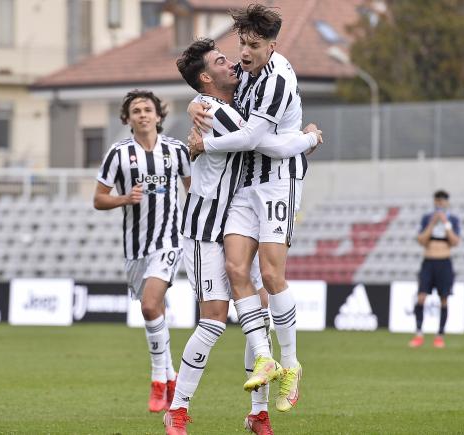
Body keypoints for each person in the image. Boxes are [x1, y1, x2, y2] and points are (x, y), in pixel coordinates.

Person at [165, 39, 321, 435]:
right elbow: (258, 140)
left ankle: (258, 413)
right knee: (214, 321)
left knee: (259, 310)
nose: (232, 62)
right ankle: (178, 409)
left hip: (236, 221)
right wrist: (308, 140)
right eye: (221, 60)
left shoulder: (229, 104)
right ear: (206, 78)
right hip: (204, 231)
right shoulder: (213, 109)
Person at [188, 4, 311, 413]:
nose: (244, 52)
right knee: (235, 268)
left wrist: (307, 141)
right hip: (246, 183)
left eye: (253, 46)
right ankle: (264, 356)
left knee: (273, 275)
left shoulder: (278, 79)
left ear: (272, 46)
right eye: (241, 42)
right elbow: (212, 90)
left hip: (278, 180)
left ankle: (291, 365)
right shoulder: (244, 72)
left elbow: (260, 140)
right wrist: (195, 104)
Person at [93, 90, 191, 412]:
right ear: (128, 118)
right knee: (155, 311)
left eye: (148, 109)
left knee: (150, 306)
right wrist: (124, 199)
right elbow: (98, 198)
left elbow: (193, 189)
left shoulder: (177, 151)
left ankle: (157, 381)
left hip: (169, 241)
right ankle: (172, 374)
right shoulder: (118, 154)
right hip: (135, 248)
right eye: (136, 111)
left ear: (159, 116)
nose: (143, 115)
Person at [410, 190, 461, 348]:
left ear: (447, 202)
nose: (439, 203)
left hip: (444, 262)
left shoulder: (453, 219)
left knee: (444, 298)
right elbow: (421, 240)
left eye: (442, 200)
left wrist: (445, 223)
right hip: (428, 261)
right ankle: (419, 333)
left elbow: (455, 241)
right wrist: (432, 223)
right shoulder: (427, 219)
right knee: (421, 297)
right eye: (437, 200)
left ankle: (440, 335)